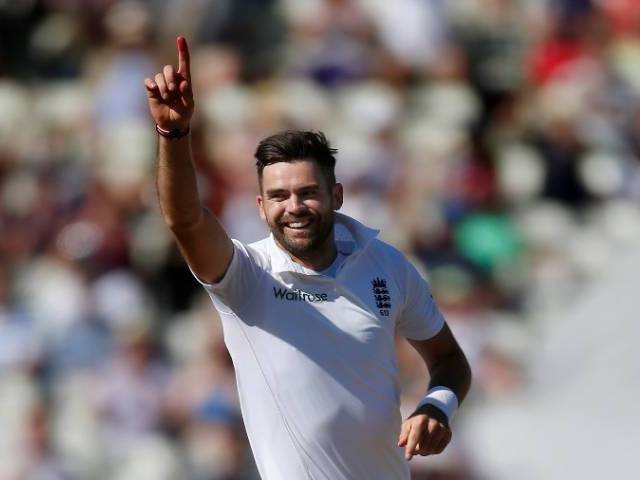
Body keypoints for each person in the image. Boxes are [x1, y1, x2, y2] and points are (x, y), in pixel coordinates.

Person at [145, 36, 471, 480]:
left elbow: (450, 361)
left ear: (336, 195)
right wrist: (174, 134)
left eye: (307, 193)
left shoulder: (387, 266)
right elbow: (184, 221)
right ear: (261, 207)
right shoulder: (246, 275)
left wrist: (437, 405)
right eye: (278, 196)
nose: (293, 206)